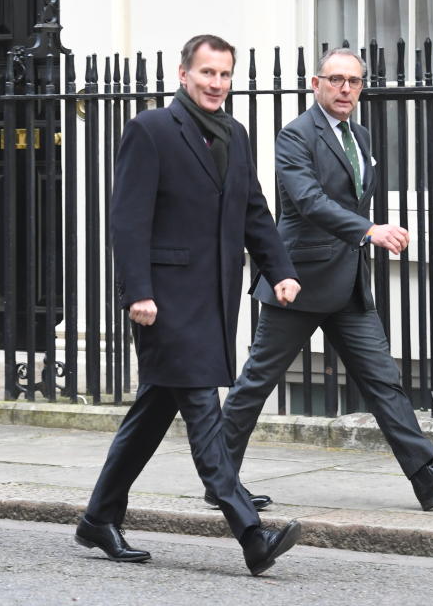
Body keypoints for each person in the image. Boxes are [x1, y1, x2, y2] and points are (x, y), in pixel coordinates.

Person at [210, 48, 433, 513]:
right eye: (336, 79)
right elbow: (309, 201)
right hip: (297, 281)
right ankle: (219, 480)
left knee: (383, 379)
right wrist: (370, 230)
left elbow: (351, 198)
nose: (345, 89)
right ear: (315, 84)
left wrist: (367, 230)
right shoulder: (295, 135)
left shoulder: (358, 134)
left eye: (354, 81)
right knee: (257, 381)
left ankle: (426, 476)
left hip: (347, 281)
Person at [75, 34, 303, 577]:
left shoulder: (236, 134)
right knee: (204, 412)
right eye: (206, 73)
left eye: (224, 75)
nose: (216, 83)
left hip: (213, 300)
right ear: (184, 75)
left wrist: (281, 271)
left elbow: (253, 210)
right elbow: (127, 221)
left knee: (152, 415)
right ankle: (251, 533)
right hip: (165, 303)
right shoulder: (151, 129)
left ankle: (98, 519)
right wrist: (139, 293)